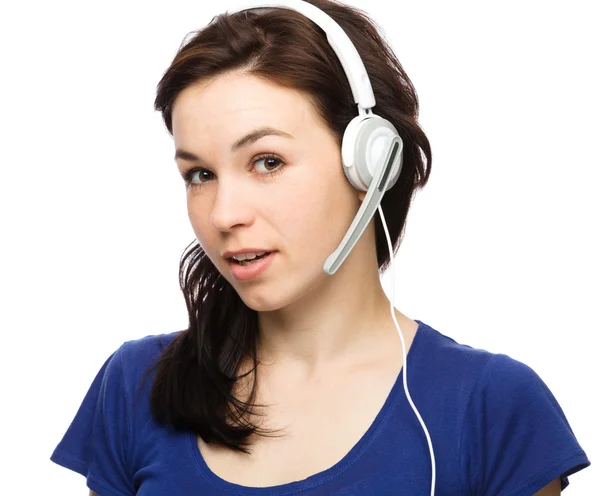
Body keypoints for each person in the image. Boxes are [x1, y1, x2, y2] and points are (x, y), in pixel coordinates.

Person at [50, 0, 590, 494]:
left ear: (371, 164)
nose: (222, 214)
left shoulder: (490, 407)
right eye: (199, 174)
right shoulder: (137, 385)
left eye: (268, 162)